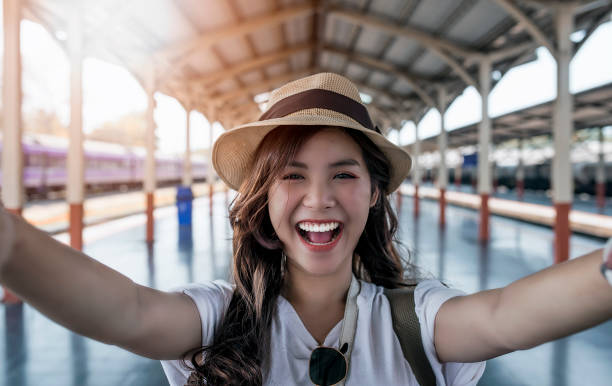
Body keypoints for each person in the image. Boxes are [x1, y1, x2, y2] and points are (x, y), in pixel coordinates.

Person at [0, 72, 611, 386]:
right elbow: (129, 314)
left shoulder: (416, 321)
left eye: (344, 174)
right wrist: (11, 242)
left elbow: (504, 316)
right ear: (263, 200)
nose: (319, 199)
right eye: (292, 176)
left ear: (374, 193)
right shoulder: (218, 319)